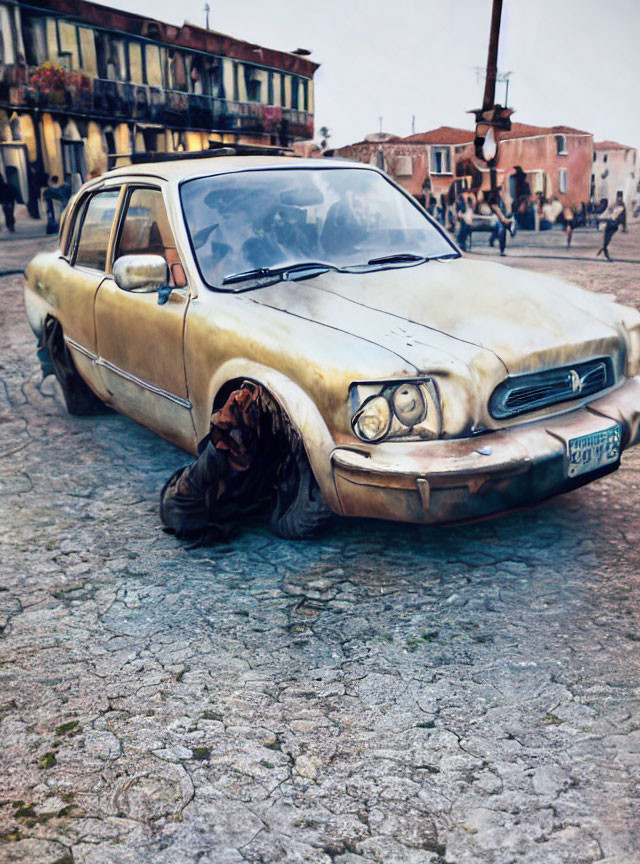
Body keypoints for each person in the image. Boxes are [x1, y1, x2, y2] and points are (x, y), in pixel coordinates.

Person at [596, 194, 625, 261]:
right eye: (618, 198)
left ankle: (603, 251)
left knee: (607, 239)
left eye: (620, 198)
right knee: (606, 239)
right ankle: (604, 252)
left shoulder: (621, 207)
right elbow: (609, 212)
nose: (619, 199)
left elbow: (622, 217)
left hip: (614, 224)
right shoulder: (614, 205)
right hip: (610, 223)